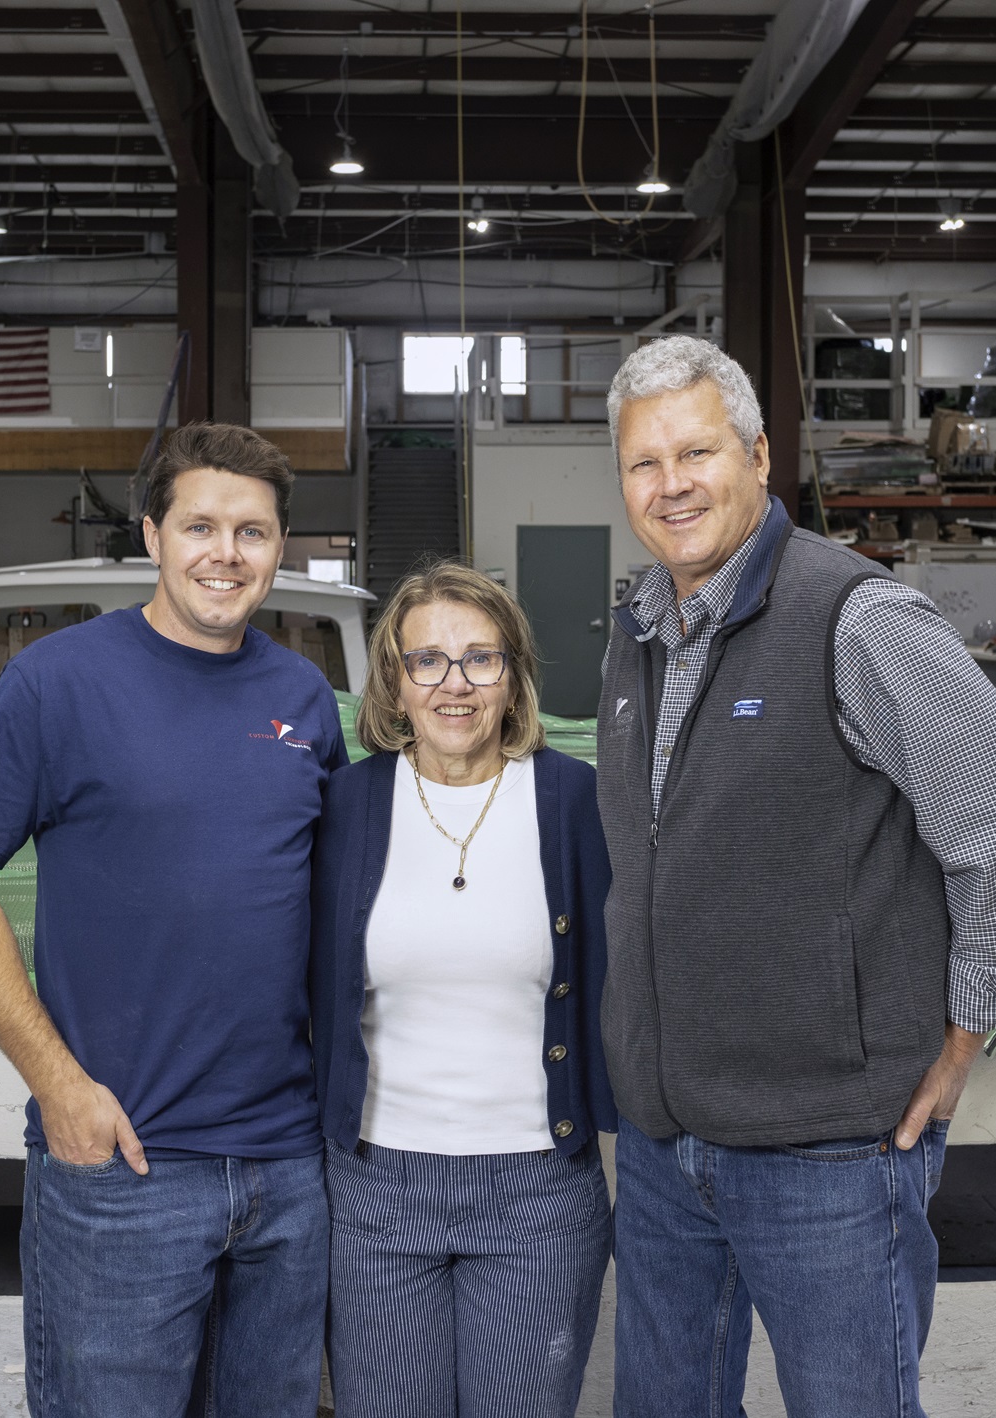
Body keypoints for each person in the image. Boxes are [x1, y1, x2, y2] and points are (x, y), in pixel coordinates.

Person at [595, 337, 996, 1417]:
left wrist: (965, 1029)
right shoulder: (635, 632)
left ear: (759, 454)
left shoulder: (855, 619)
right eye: (642, 462)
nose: (670, 484)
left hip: (828, 1155)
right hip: (669, 1149)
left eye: (696, 451)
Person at [0, 423, 346, 1418]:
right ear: (152, 534)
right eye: (200, 525)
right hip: (124, 1168)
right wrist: (59, 1087)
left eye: (252, 531)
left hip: (286, 1167)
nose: (225, 553)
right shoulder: (58, 682)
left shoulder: (302, 698)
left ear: (280, 548)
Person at [310, 561, 615, 1418]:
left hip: (538, 1192)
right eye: (428, 661)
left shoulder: (573, 802)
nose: (455, 684)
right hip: (373, 1189)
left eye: (481, 659)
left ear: (513, 677)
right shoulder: (341, 808)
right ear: (394, 682)